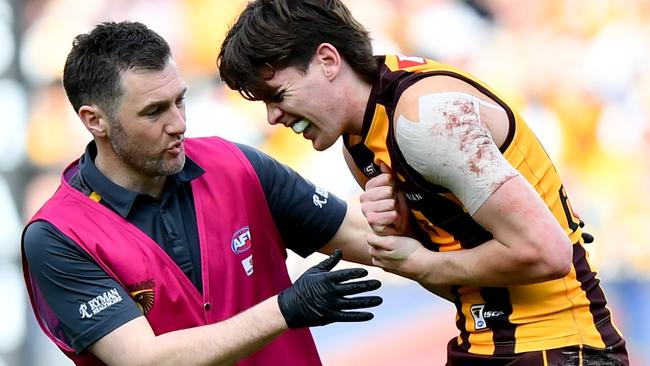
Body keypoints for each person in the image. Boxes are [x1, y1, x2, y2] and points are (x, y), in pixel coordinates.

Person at [217, 1, 629, 365]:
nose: (273, 117)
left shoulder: (426, 119)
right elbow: (464, 286)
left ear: (328, 60)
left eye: (277, 94)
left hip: (561, 348)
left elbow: (548, 253)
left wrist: (421, 262)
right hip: (483, 344)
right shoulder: (359, 144)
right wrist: (405, 236)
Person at [21, 21, 384, 366]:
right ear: (94, 120)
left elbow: (368, 237)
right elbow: (144, 359)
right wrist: (285, 309)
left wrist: (416, 204)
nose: (179, 123)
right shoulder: (57, 236)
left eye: (179, 100)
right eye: (154, 112)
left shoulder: (236, 164)